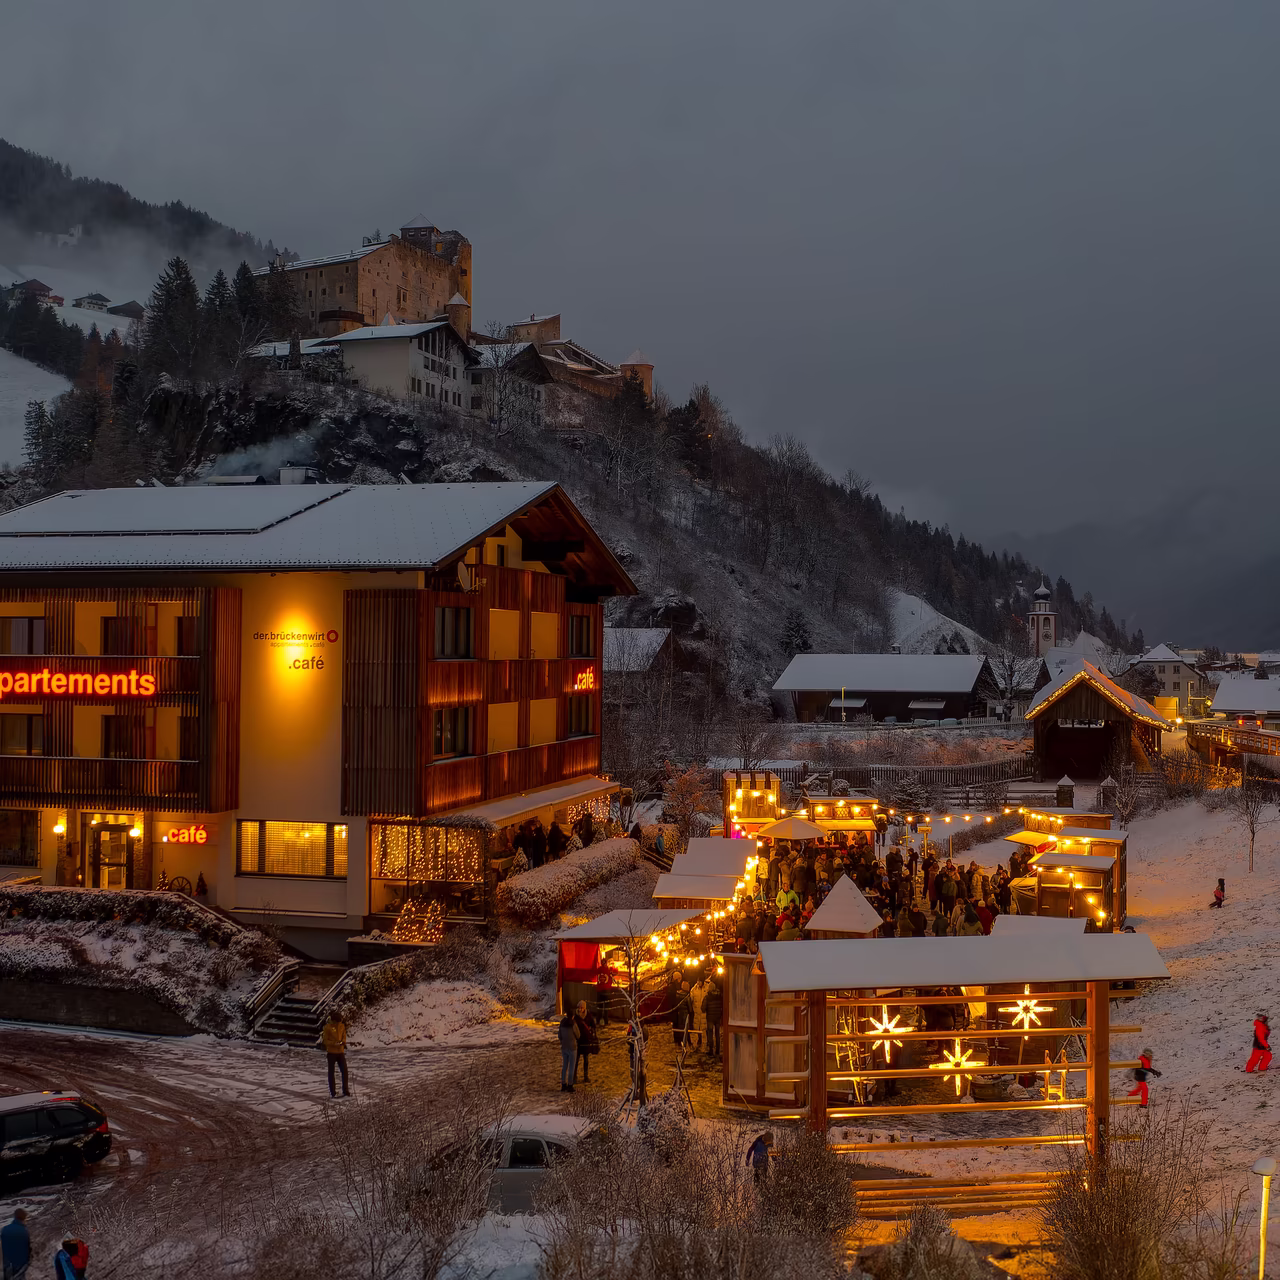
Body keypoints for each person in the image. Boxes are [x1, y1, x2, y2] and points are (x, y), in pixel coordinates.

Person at [322, 1012, 351, 1098]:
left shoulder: (342, 1026)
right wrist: (334, 1043)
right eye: (337, 1022)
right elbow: (325, 1041)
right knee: (331, 1073)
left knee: (344, 1071)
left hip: (340, 1052)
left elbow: (344, 1036)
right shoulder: (327, 1027)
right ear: (333, 1021)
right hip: (331, 1053)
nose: (339, 1023)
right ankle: (333, 1092)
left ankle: (345, 1090)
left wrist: (343, 1042)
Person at [572, 999, 599, 1083]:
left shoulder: (588, 1016)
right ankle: (574, 1077)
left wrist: (592, 1030)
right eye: (579, 1007)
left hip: (586, 1041)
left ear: (584, 1008)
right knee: (576, 1060)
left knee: (586, 1060)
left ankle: (586, 1076)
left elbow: (593, 1025)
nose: (580, 1009)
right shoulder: (575, 1016)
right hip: (578, 1040)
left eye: (582, 1008)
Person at [1, 1208, 29, 1279]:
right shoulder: (23, 1231)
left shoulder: (5, 1229)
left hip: (7, 1266)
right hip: (19, 1267)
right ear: (23, 1218)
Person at [558, 1009, 579, 1091]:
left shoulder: (562, 1023)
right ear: (573, 1016)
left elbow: (559, 1035)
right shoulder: (573, 1024)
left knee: (564, 1066)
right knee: (571, 1067)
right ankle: (570, 1085)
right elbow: (578, 1035)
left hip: (564, 1047)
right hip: (572, 1047)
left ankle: (563, 1084)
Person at [703, 978, 723, 1058]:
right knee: (717, 1034)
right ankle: (718, 1050)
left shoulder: (707, 997)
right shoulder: (719, 996)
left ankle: (711, 1050)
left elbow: (703, 1008)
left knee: (710, 1034)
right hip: (718, 1017)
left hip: (710, 1018)